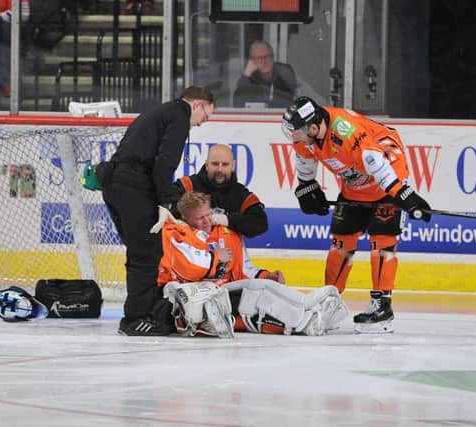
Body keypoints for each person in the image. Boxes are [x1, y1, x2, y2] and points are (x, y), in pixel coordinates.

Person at [281, 96, 432, 334]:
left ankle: (383, 306)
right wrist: (306, 188)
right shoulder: (305, 137)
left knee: (382, 236)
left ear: (313, 127)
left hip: (386, 163)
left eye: (297, 131)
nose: (294, 136)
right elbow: (305, 164)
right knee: (341, 237)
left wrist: (400, 192)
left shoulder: (344, 130)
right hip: (356, 181)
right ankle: (329, 300)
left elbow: (374, 160)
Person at [99, 85, 215, 336]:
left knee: (142, 250)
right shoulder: (180, 115)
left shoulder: (159, 113)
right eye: (204, 117)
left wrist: (164, 199)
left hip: (114, 184)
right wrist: (165, 201)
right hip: (132, 186)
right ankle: (135, 319)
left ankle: (146, 310)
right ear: (197, 105)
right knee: (147, 253)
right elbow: (165, 162)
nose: (201, 124)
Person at [158, 192, 348, 337]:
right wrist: (215, 257)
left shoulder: (226, 234)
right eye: (200, 218)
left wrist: (266, 276)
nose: (207, 220)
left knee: (260, 286)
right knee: (255, 303)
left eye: (208, 214)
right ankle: (307, 318)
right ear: (186, 218)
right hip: (199, 298)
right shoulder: (178, 234)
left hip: (224, 293)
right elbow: (189, 269)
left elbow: (243, 271)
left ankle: (310, 309)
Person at [173, 143, 284, 283]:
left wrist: (228, 220)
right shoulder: (187, 186)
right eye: (215, 164)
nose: (219, 169)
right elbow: (167, 211)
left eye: (225, 164)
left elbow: (260, 223)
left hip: (223, 276)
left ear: (232, 165)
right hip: (187, 274)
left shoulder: (240, 195)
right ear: (206, 165)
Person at [233, 40, 297, 109]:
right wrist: (246, 75)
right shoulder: (250, 79)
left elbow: (285, 103)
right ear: (252, 61)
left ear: (272, 58)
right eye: (259, 58)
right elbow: (238, 105)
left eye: (267, 56)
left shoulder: (284, 74)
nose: (264, 61)